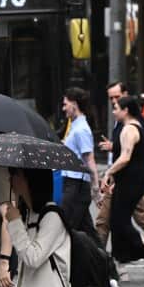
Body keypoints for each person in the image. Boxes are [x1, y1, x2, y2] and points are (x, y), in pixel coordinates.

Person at [95, 82, 144, 258]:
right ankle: (112, 261)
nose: (114, 102)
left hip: (128, 180)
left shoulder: (129, 124)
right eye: (111, 98)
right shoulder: (121, 121)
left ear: (125, 95)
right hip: (121, 179)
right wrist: (113, 147)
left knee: (122, 221)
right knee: (108, 221)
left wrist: (108, 173)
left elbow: (128, 153)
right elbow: (125, 148)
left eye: (117, 97)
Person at [59, 87, 100, 239]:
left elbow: (90, 159)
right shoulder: (75, 125)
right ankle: (103, 261)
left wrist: (95, 188)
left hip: (76, 185)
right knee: (86, 230)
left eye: (65, 104)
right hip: (72, 183)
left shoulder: (81, 129)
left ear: (74, 104)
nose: (64, 108)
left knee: (67, 227)